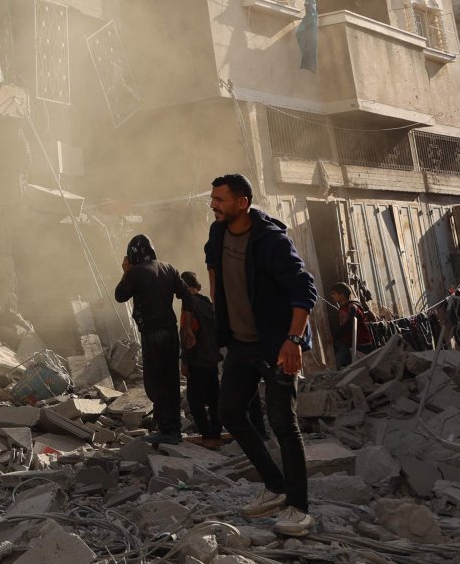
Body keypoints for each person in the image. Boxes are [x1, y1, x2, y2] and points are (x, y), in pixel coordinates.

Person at [206, 173, 318, 537]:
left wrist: (293, 340)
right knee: (229, 412)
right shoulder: (218, 232)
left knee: (283, 423)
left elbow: (304, 288)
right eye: (213, 198)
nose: (213, 205)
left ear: (243, 202)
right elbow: (215, 273)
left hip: (277, 343)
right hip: (242, 343)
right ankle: (275, 485)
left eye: (220, 199)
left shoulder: (271, 240)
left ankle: (298, 508)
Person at [114, 234, 191, 444]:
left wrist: (126, 272)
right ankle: (174, 429)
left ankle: (166, 429)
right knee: (171, 380)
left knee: (155, 382)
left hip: (152, 333)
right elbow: (186, 293)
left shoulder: (135, 273)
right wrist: (188, 327)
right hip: (170, 332)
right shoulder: (169, 268)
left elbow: (120, 295)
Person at [179, 271, 223, 447]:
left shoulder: (188, 307)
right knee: (214, 400)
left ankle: (207, 436)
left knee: (195, 401)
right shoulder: (208, 304)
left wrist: (185, 361)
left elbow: (188, 337)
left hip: (197, 361)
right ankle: (217, 433)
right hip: (212, 360)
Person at [328, 283, 374, 369]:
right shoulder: (343, 308)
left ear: (342, 295)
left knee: (365, 369)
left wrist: (335, 336)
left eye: (334, 293)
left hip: (361, 344)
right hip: (350, 344)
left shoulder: (352, 307)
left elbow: (350, 325)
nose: (332, 296)